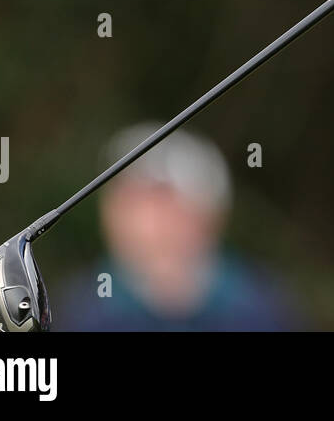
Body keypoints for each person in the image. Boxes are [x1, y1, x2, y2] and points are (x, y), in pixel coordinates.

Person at [54, 123, 300, 330]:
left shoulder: (257, 306)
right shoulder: (84, 308)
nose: (143, 221)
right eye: (126, 200)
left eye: (160, 201)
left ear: (208, 213)